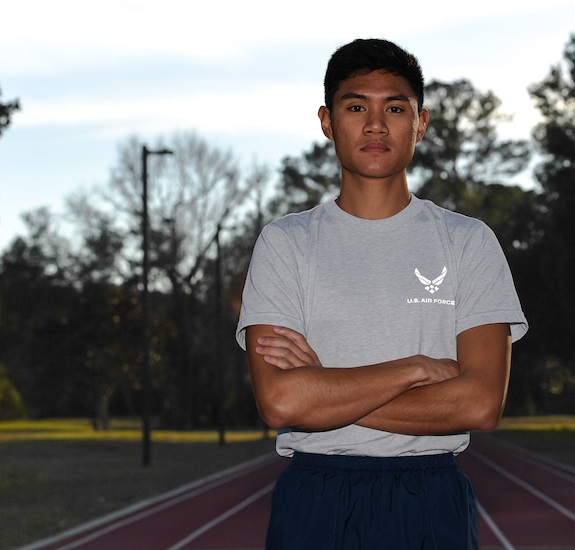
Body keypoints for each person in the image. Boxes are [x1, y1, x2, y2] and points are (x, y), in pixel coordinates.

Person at [235, 38, 527, 549]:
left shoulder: (468, 241)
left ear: (421, 123)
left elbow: (480, 404)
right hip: (315, 493)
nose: (375, 124)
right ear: (327, 122)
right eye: (355, 107)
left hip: (429, 494)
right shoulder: (286, 242)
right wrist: (412, 370)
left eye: (394, 107)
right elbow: (280, 401)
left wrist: (322, 389)